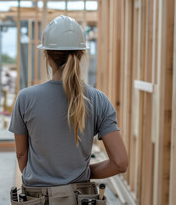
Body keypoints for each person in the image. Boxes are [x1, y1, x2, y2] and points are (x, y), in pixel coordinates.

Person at [8, 15, 128, 203]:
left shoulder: (26, 98)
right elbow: (120, 163)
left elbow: (21, 155)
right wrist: (84, 172)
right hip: (79, 197)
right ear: (81, 55)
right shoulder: (98, 100)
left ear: (46, 55)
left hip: (36, 196)